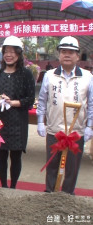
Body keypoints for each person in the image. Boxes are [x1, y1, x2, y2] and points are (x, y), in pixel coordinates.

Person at [37, 36, 93, 194]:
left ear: (77, 55)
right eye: (63, 52)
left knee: (72, 168)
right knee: (52, 165)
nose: (67, 55)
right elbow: (42, 101)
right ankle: (50, 194)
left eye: (71, 52)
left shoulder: (88, 77)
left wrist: (90, 126)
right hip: (55, 130)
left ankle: (68, 196)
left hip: (76, 132)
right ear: (58, 55)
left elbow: (92, 104)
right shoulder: (49, 75)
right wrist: (41, 122)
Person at [0, 36, 35, 189]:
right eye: (6, 51)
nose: (9, 55)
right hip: (0, 120)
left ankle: (13, 186)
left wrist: (11, 102)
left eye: (12, 52)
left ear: (19, 54)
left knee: (16, 155)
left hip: (18, 121)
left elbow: (29, 99)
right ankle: (3, 185)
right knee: (1, 155)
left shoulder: (26, 74)